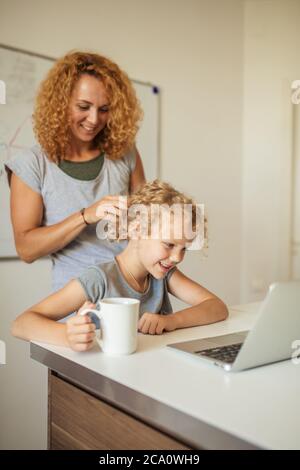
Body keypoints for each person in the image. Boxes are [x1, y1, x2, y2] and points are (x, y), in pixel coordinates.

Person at [11, 180, 229, 351]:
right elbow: (21, 324)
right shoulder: (100, 279)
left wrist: (172, 320)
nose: (176, 257)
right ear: (136, 230)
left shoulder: (165, 274)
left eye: (184, 248)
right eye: (169, 244)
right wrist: (67, 335)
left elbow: (217, 307)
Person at [5, 51, 145, 292]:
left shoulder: (125, 153)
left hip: (133, 294)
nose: (94, 119)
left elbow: (147, 218)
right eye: (83, 106)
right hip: (75, 304)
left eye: (104, 109)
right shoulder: (32, 164)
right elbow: (26, 249)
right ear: (61, 103)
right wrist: (85, 216)